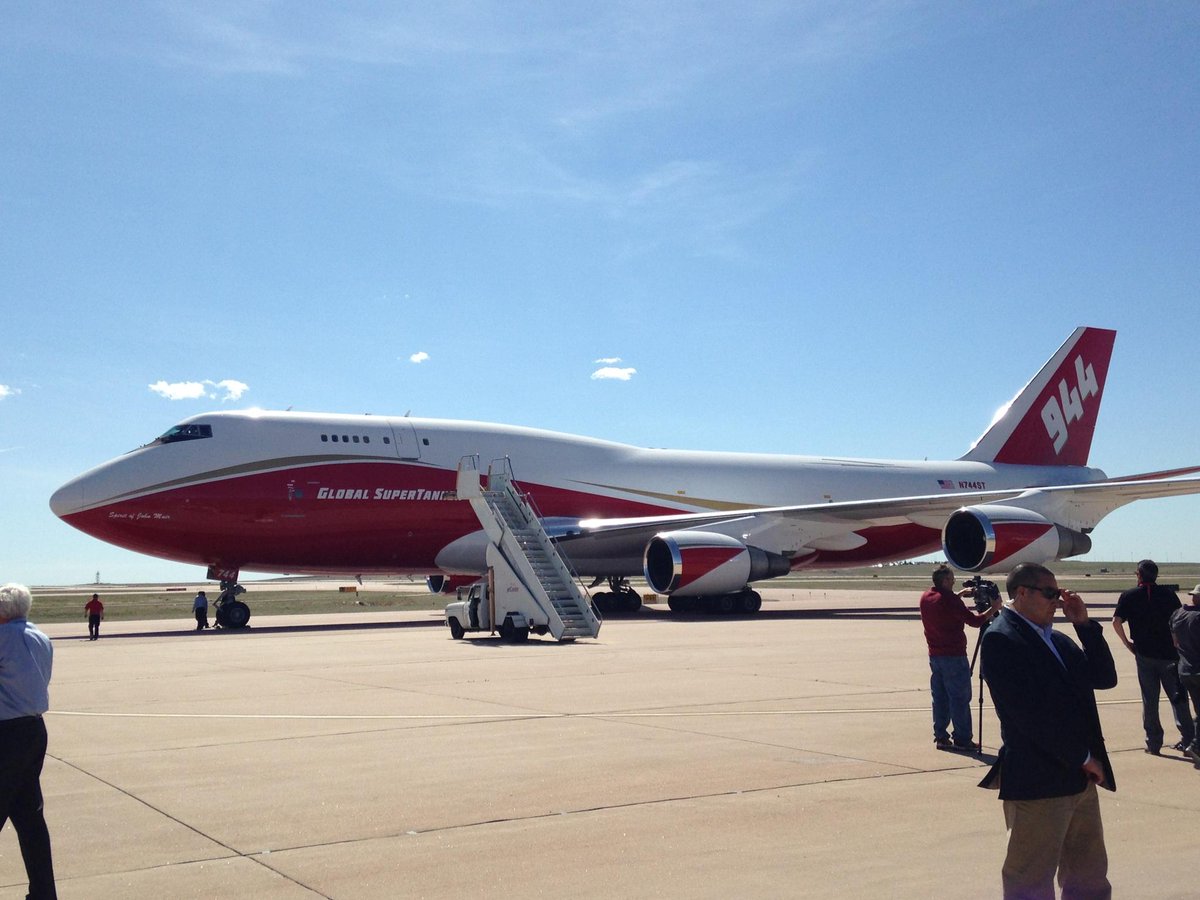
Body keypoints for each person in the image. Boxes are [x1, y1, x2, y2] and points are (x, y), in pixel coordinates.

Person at [979, 563, 1117, 900]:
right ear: (1022, 593)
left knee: (1089, 875)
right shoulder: (1001, 639)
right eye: (1049, 593)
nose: (1057, 601)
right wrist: (1083, 758)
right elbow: (1029, 718)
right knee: (1030, 880)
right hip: (1039, 783)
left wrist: (1084, 625)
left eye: (1058, 593)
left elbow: (1104, 677)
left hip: (1079, 780)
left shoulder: (1056, 639)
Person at [0, 583, 58, 899]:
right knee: (29, 818)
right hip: (33, 731)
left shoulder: (2, 637)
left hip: (6, 734)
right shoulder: (40, 637)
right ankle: (43, 893)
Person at [1111, 559, 1195, 755]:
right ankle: (1189, 741)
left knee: (1150, 700)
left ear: (1139, 575)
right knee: (1178, 698)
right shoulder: (1168, 594)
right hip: (1170, 655)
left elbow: (1116, 621)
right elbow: (1178, 621)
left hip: (1144, 654)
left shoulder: (1129, 596)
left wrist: (1127, 643)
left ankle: (1153, 743)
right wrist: (1177, 644)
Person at [919, 564, 1001, 751]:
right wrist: (993, 608)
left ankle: (941, 736)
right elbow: (975, 621)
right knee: (959, 699)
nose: (954, 582)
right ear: (945, 581)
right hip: (954, 656)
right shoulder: (950, 601)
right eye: (952, 579)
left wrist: (959, 595)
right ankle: (963, 738)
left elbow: (943, 603)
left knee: (940, 697)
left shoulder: (926, 597)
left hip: (935, 656)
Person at [1170, 585, 1200, 768]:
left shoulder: (1178, 614)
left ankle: (1195, 744)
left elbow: (1175, 642)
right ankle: (1195, 745)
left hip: (1185, 670)